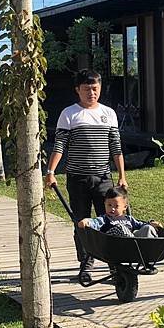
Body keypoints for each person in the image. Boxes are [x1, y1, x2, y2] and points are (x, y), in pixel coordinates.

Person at [45, 69, 127, 282]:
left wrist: (122, 176)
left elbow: (115, 147)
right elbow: (60, 145)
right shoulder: (69, 114)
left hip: (103, 179)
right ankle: (86, 266)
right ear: (77, 90)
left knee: (111, 222)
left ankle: (114, 266)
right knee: (82, 223)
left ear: (99, 89)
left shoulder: (109, 113)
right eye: (87, 89)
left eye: (95, 88)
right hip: (78, 179)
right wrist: (51, 172)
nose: (91, 93)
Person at [78, 186, 161, 238]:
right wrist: (87, 221)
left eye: (116, 206)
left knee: (148, 228)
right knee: (120, 228)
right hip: (115, 245)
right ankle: (134, 243)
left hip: (135, 245)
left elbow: (141, 225)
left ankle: (149, 249)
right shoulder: (104, 219)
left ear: (124, 207)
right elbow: (95, 222)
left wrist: (151, 224)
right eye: (109, 205)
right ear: (105, 204)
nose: (112, 209)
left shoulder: (129, 219)